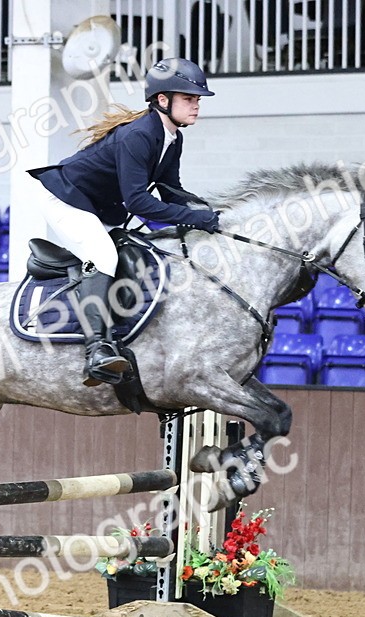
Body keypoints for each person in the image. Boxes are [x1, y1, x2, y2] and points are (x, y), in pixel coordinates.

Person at [27, 57, 221, 387]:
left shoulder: (172, 137)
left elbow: (171, 192)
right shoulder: (138, 136)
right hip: (66, 199)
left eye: (197, 99)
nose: (196, 106)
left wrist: (215, 213)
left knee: (137, 251)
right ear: (163, 100)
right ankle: (97, 351)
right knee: (102, 255)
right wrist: (195, 219)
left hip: (97, 206)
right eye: (189, 99)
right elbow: (138, 201)